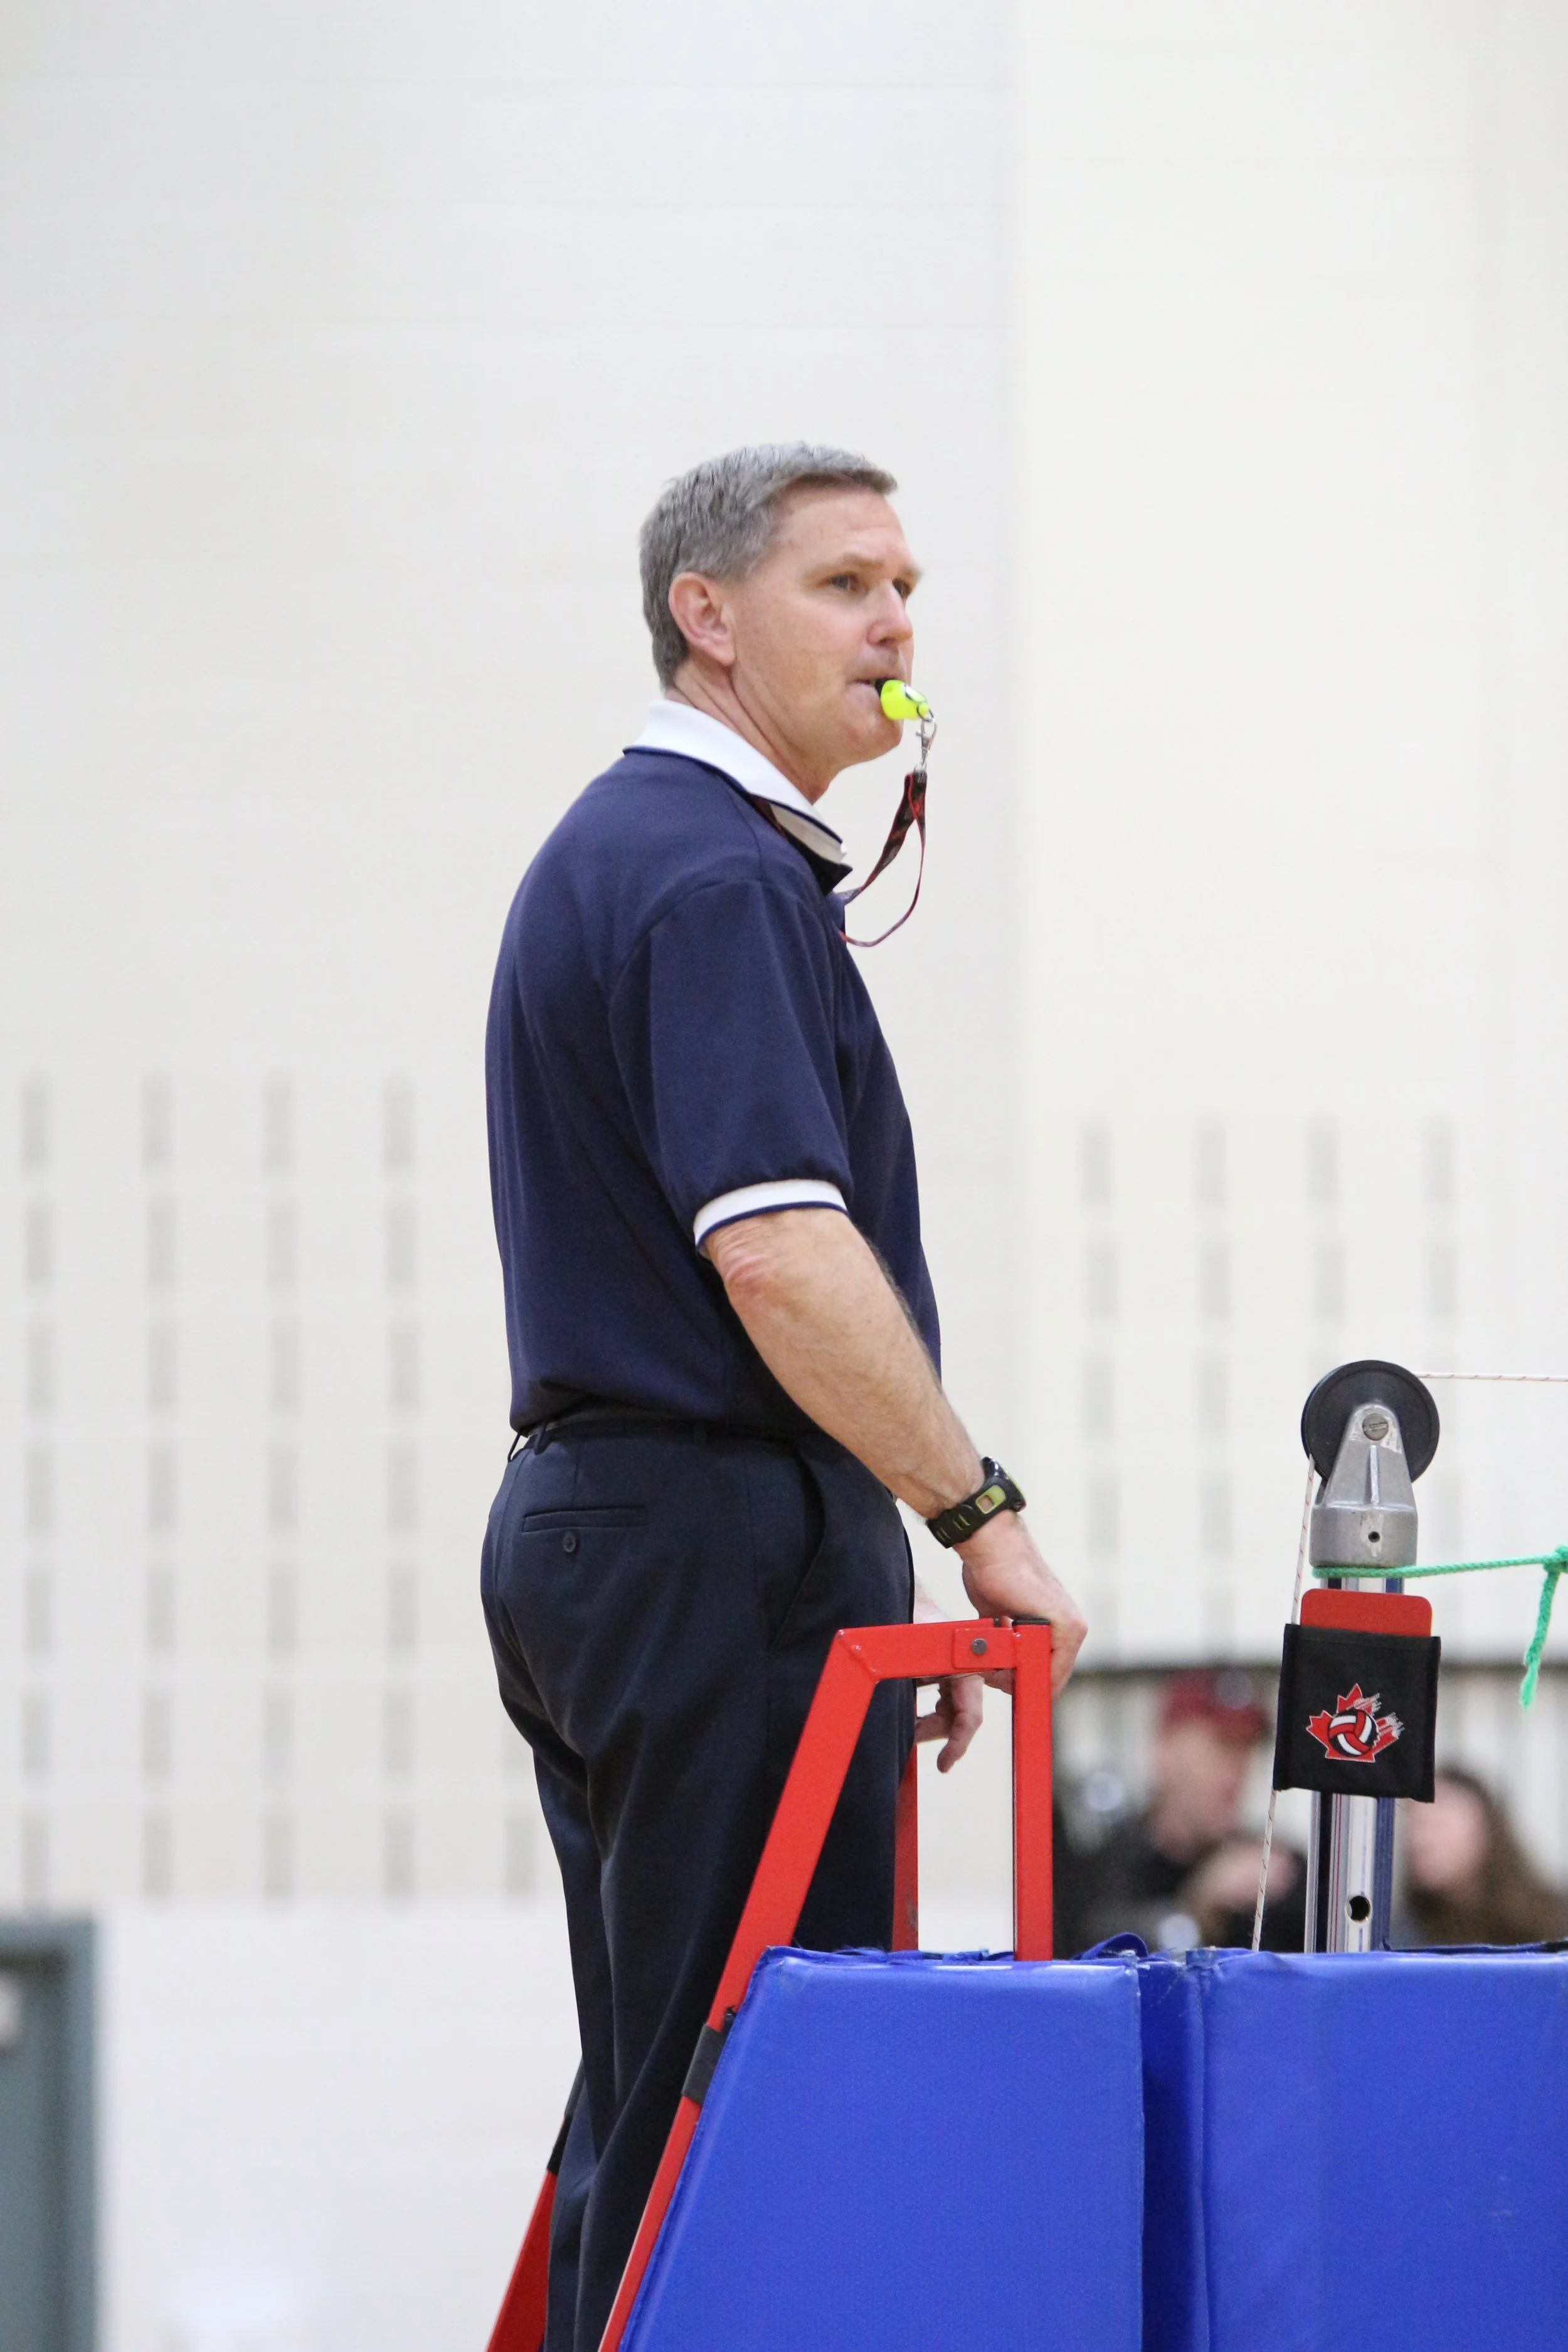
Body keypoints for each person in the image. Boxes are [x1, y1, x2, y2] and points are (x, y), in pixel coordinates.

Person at [479, 443, 1087, 2351]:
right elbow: (779, 1253)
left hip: (652, 1527)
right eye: (842, 584)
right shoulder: (705, 869)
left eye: (904, 586)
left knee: (675, 2075)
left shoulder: (669, 859)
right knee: (732, 2099)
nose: (895, 620)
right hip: (697, 1525)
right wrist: (975, 1516)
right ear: (706, 615)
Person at [1064, 1668, 1305, 1954]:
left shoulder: (1275, 1871)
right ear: (1163, 1748)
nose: (1236, 1772)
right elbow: (1091, 1951)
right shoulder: (1103, 1869)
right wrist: (1199, 1907)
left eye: (1247, 1750)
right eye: (1222, 1745)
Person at [1396, 1767, 1567, 1947]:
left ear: (1484, 1829)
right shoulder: (1405, 1933)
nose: (1419, 1840)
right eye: (1414, 1826)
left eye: (1438, 1825)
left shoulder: (1553, 1917)